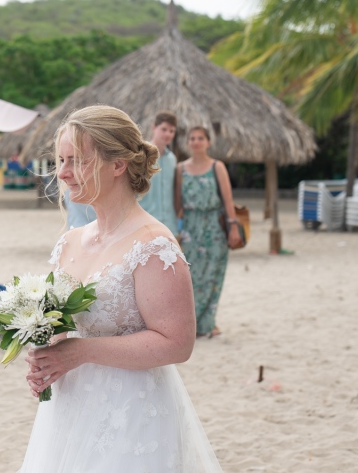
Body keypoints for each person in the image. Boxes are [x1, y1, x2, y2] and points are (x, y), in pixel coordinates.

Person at [20, 106, 221, 472]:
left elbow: (178, 343)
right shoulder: (71, 241)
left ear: (118, 165)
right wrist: (46, 357)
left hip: (132, 413)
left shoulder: (153, 245)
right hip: (70, 407)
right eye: (61, 160)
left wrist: (80, 352)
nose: (63, 173)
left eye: (77, 161)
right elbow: (63, 325)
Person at [174, 126, 242, 338]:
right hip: (191, 227)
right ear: (188, 143)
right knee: (190, 277)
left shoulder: (217, 166)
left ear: (208, 142)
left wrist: (233, 227)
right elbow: (178, 203)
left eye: (200, 138)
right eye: (192, 138)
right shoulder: (180, 169)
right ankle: (190, 325)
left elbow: (227, 199)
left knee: (214, 275)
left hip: (214, 225)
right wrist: (177, 229)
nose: (196, 142)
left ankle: (208, 323)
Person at [138, 111, 178, 233]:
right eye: (164, 129)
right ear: (154, 127)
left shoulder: (172, 159)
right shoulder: (141, 156)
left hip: (169, 224)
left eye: (171, 131)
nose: (168, 134)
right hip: (144, 222)